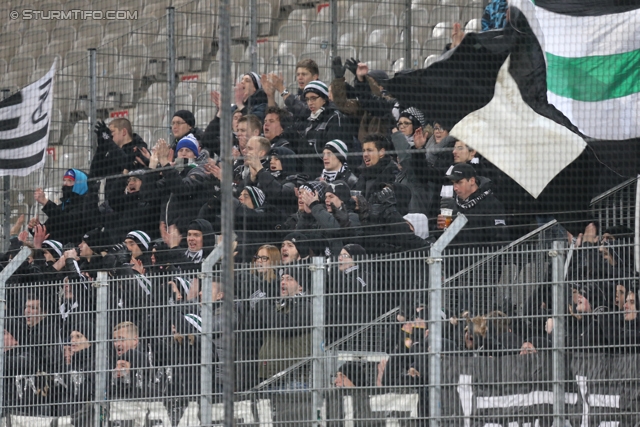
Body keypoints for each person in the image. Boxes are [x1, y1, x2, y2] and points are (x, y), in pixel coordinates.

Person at [257, 263, 313, 388]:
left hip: (293, 379)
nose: (283, 282)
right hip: (270, 376)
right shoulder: (279, 305)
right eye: (282, 278)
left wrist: (262, 306)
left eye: (289, 279)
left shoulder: (306, 306)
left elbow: (285, 327)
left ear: (300, 287)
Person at [150, 135, 215, 228]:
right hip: (171, 235)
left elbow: (183, 188)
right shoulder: (175, 172)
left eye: (188, 150)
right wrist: (152, 168)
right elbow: (150, 194)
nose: (183, 153)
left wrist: (165, 162)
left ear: (195, 154)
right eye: (180, 150)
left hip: (191, 232)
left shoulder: (200, 170)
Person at [437, 163, 509, 247]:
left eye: (459, 182)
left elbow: (499, 240)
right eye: (453, 183)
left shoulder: (492, 204)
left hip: (481, 257)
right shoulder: (451, 205)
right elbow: (442, 240)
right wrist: (440, 229)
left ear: (472, 181)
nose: (455, 188)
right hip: (454, 258)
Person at [33, 169, 100, 245]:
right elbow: (49, 230)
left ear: (81, 184)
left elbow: (67, 221)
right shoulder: (64, 206)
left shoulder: (88, 206)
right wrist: (38, 228)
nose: (65, 184)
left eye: (70, 181)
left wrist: (45, 202)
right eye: (64, 180)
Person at [298, 80, 350, 178]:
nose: (310, 103)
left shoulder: (335, 118)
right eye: (307, 99)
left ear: (324, 99)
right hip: (309, 174)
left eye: (313, 98)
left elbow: (334, 153)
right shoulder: (309, 121)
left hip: (330, 176)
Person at [90, 118, 148, 202]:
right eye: (108, 134)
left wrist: (108, 141)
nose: (110, 136)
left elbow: (127, 163)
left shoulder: (139, 147)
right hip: (111, 203)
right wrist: (102, 147)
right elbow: (95, 172)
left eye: (112, 132)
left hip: (131, 202)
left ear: (124, 132)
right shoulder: (112, 151)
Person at [352, 134, 399, 199]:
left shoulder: (393, 175)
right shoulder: (361, 176)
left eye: (369, 150)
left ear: (381, 152)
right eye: (364, 151)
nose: (365, 154)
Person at [110, 321, 150, 399]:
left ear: (135, 340)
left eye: (122, 339)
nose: (117, 344)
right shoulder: (113, 359)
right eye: (115, 340)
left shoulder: (149, 358)